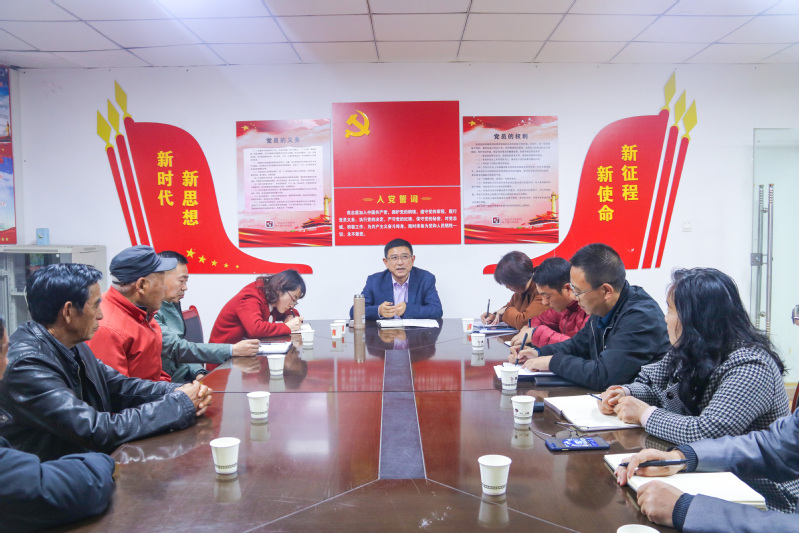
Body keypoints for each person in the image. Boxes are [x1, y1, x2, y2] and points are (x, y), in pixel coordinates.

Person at [599, 268, 797, 511]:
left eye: (671, 310)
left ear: (696, 318)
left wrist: (644, 414)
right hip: (710, 474)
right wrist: (626, 393)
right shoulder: (693, 348)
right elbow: (653, 383)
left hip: (763, 494)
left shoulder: (751, 366)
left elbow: (708, 432)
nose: (665, 318)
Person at [0, 263, 212, 462]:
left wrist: (181, 391)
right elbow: (95, 429)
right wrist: (178, 404)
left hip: (82, 464)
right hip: (52, 476)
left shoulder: (73, 343)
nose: (101, 315)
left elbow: (121, 387)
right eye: (95, 305)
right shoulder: (27, 365)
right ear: (68, 312)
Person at [0, 313, 116, 532]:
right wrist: (102, 460)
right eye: (5, 352)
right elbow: (47, 490)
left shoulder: (78, 349)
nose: (6, 365)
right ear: (69, 312)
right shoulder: (27, 362)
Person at [510, 243, 670, 390]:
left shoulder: (641, 317)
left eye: (578, 291)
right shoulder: (602, 308)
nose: (574, 297)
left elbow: (606, 376)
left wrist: (553, 362)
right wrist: (538, 353)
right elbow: (577, 346)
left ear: (606, 291)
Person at [616, 408, 799, 531]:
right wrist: (681, 457)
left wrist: (688, 510)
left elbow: (706, 429)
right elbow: (773, 446)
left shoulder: (753, 366)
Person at [155, 251, 260, 383]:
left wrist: (198, 373)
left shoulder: (171, 305)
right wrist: (232, 350)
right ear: (159, 279)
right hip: (168, 386)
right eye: (181, 281)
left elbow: (181, 352)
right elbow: (178, 348)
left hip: (185, 380)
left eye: (186, 281)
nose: (185, 288)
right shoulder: (150, 312)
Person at [86, 245, 175, 381]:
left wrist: (177, 389)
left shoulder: (142, 314)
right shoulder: (107, 330)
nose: (165, 288)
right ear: (142, 285)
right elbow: (116, 390)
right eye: (162, 281)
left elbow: (153, 374)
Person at [350, 238, 442, 320]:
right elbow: (354, 312)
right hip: (384, 334)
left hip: (414, 333)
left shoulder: (425, 279)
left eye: (405, 257)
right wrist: (378, 311)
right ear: (386, 262)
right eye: (394, 258)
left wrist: (407, 310)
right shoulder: (374, 281)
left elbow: (437, 311)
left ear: (412, 259)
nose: (400, 262)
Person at [509, 256, 588, 347]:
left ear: (568, 288)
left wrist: (536, 334)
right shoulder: (563, 308)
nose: (544, 302)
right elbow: (540, 320)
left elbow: (582, 348)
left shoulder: (590, 310)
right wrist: (527, 330)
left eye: (547, 296)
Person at [210, 269, 305, 344]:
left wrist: (290, 316)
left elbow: (288, 312)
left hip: (243, 353)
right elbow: (255, 329)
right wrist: (287, 327)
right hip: (223, 358)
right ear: (280, 288)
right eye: (293, 299)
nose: (292, 305)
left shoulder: (273, 299)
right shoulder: (251, 296)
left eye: (295, 302)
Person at [482, 251, 546, 329]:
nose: (507, 287)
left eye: (508, 283)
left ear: (518, 278)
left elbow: (525, 322)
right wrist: (494, 316)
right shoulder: (520, 292)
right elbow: (508, 308)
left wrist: (506, 311)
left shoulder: (543, 290)